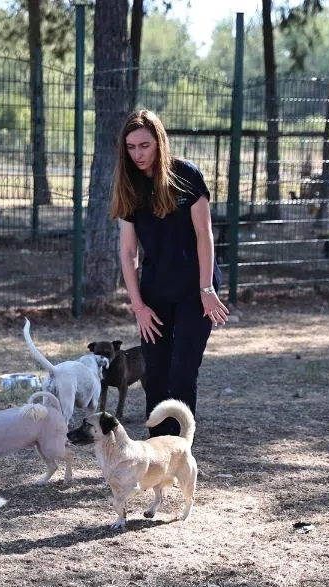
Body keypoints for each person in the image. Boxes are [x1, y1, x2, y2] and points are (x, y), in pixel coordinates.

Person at [110, 108, 230, 437]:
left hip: (196, 288)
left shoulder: (187, 175)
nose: (138, 154)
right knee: (157, 373)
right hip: (155, 292)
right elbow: (128, 252)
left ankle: (179, 449)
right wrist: (139, 307)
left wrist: (207, 289)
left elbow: (205, 235)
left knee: (182, 370)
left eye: (145, 145)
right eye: (131, 147)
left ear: (159, 143)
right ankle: (157, 450)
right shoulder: (128, 185)